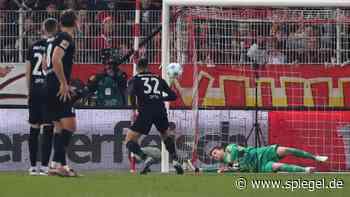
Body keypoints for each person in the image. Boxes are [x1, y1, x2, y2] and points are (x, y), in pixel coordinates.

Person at [125, 58, 183, 175]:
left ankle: (145, 157)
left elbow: (130, 93)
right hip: (160, 110)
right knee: (166, 135)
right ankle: (176, 161)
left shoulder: (135, 79)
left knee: (129, 140)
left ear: (137, 68)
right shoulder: (158, 78)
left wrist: (134, 107)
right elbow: (173, 96)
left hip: (145, 110)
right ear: (148, 67)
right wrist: (159, 97)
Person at [45, 9, 79, 177]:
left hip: (50, 84)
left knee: (59, 126)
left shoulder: (53, 39)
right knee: (71, 126)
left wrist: (58, 80)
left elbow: (46, 64)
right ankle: (57, 165)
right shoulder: (65, 38)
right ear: (75, 22)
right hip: (57, 86)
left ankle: (58, 166)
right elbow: (55, 59)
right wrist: (63, 83)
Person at [25, 18, 58, 175]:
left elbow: (28, 69)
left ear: (43, 29)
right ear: (56, 29)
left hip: (35, 91)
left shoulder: (33, 46)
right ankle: (45, 166)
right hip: (49, 90)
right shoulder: (54, 46)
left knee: (33, 127)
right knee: (48, 128)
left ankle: (32, 167)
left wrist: (29, 91)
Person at [210, 143, 328, 173]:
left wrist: (231, 163)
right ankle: (306, 170)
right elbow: (241, 170)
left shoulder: (229, 148)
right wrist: (228, 170)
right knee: (278, 166)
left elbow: (236, 150)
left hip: (261, 153)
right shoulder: (226, 166)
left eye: (215, 153)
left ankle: (315, 157)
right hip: (259, 167)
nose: (215, 156)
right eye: (213, 156)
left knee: (287, 150)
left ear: (221, 150)